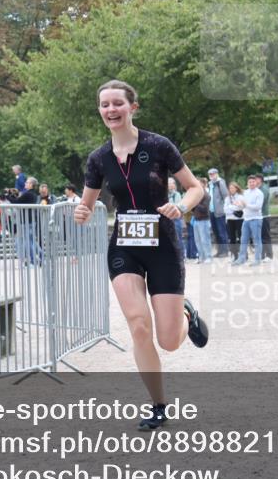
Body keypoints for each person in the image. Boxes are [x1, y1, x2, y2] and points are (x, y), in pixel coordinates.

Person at [74, 79, 208, 431]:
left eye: (117, 103)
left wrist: (181, 205)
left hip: (163, 243)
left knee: (168, 340)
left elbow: (195, 187)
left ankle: (185, 315)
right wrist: (82, 212)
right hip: (124, 248)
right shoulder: (99, 158)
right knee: (137, 326)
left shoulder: (158, 146)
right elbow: (88, 205)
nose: (110, 110)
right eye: (104, 105)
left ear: (132, 107)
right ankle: (158, 405)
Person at [234, 175, 264, 266]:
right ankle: (242, 258)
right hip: (246, 219)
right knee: (243, 240)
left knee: (256, 240)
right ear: (247, 183)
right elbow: (243, 206)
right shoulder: (245, 193)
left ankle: (257, 259)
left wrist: (246, 205)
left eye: (253, 182)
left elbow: (258, 207)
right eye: (250, 182)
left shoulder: (259, 193)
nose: (251, 183)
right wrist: (238, 205)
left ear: (256, 182)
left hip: (256, 219)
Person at [207, 168, 230, 258]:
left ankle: (225, 251)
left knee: (222, 232)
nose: (212, 176)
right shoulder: (210, 184)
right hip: (212, 212)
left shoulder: (220, 182)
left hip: (220, 212)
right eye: (210, 174)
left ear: (217, 174)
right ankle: (219, 251)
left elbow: (226, 196)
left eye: (213, 174)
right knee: (216, 232)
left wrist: (225, 209)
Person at [192, 178, 213, 264]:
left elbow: (204, 209)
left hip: (204, 220)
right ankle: (201, 257)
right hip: (196, 220)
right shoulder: (196, 195)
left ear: (204, 185)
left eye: (200, 184)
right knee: (197, 240)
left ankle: (208, 257)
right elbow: (193, 208)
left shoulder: (206, 195)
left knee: (205, 240)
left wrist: (196, 203)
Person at [224, 181, 244, 262]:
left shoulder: (240, 197)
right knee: (231, 238)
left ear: (236, 188)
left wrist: (230, 207)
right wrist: (233, 207)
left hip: (239, 220)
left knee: (240, 237)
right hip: (230, 219)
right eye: (230, 188)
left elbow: (240, 208)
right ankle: (234, 255)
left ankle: (243, 254)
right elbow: (225, 209)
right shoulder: (227, 198)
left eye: (233, 188)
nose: (231, 190)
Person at [255, 173, 273, 260]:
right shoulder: (256, 189)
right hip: (257, 216)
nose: (255, 181)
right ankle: (261, 255)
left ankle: (269, 255)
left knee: (266, 236)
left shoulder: (264, 189)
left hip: (264, 216)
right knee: (259, 236)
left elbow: (261, 202)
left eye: (256, 179)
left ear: (260, 180)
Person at [167, 178, 184, 253]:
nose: (169, 185)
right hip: (167, 220)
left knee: (178, 238)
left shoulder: (177, 194)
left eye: (171, 183)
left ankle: (181, 256)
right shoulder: (165, 194)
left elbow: (178, 206)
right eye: (168, 184)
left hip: (176, 220)